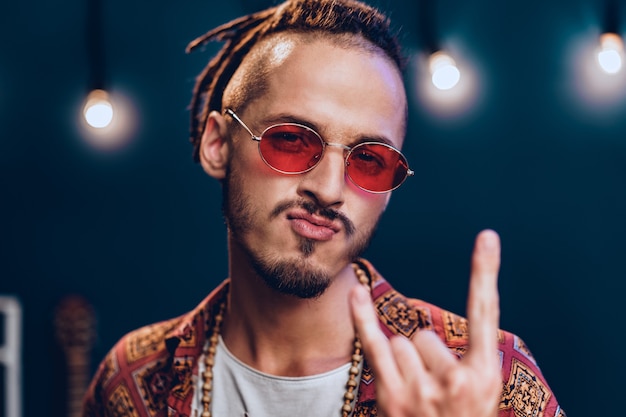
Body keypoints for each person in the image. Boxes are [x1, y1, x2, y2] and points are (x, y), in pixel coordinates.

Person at [82, 0, 565, 416]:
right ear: (216, 144)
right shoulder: (134, 382)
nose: (330, 189)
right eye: (291, 140)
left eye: (370, 160)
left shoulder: (483, 379)